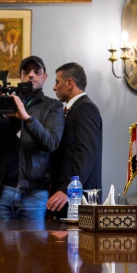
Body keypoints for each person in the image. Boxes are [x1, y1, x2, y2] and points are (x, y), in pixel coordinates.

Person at [0, 55, 65, 219]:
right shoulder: (7, 102)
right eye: (26, 71)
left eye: (37, 72)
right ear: (20, 77)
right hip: (3, 189)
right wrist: (0, 117)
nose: (31, 75)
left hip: (35, 192)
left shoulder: (53, 106)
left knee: (34, 244)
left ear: (45, 77)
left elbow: (51, 143)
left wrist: (26, 117)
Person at [47, 63, 102, 215]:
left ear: (70, 83)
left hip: (76, 199)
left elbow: (86, 153)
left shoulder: (85, 108)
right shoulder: (74, 109)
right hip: (68, 197)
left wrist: (67, 190)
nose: (54, 87)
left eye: (57, 82)